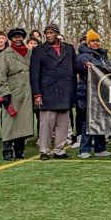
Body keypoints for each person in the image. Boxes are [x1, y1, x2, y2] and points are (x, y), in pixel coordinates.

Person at [29, 24, 77, 160]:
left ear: (57, 33)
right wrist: (37, 94)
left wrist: (86, 65)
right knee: (46, 125)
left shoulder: (69, 48)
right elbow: (34, 73)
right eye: (46, 33)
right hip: (48, 91)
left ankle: (59, 150)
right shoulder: (39, 50)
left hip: (65, 91)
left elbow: (75, 66)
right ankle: (44, 150)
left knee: (63, 124)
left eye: (51, 33)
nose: (48, 35)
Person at [0, 27, 35, 160]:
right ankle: (7, 151)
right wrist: (5, 94)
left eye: (20, 36)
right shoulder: (5, 54)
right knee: (10, 123)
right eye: (15, 37)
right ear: (11, 39)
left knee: (24, 123)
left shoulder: (30, 53)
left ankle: (20, 150)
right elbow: (1, 76)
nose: (18, 39)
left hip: (27, 92)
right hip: (12, 92)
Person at [73, 31, 111, 159]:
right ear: (88, 43)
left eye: (97, 41)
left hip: (101, 92)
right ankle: (84, 149)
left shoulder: (102, 56)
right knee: (88, 120)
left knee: (100, 119)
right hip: (88, 91)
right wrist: (86, 66)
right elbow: (78, 67)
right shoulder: (84, 55)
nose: (96, 43)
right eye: (93, 41)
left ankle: (100, 149)